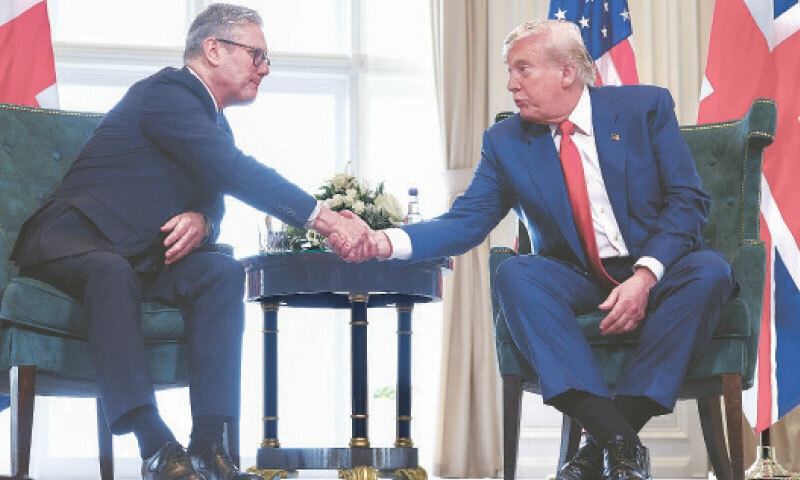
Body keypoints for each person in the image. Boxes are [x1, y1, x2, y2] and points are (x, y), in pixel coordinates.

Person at [337, 19, 735, 480]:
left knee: (711, 270)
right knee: (514, 272)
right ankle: (620, 442)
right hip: (576, 276)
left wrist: (645, 277)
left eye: (522, 69)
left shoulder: (644, 107)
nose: (511, 84)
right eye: (509, 71)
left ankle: (598, 449)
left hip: (656, 266)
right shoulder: (505, 141)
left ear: (567, 71)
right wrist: (382, 240)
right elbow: (466, 222)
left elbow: (688, 200)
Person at [11, 4, 367, 480]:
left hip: (139, 255)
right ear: (213, 49)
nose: (264, 68)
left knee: (222, 272)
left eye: (266, 59)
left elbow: (215, 197)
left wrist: (204, 220)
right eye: (257, 55)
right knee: (109, 271)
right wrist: (326, 221)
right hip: (72, 241)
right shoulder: (167, 93)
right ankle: (155, 445)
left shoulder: (214, 121)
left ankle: (209, 446)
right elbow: (235, 172)